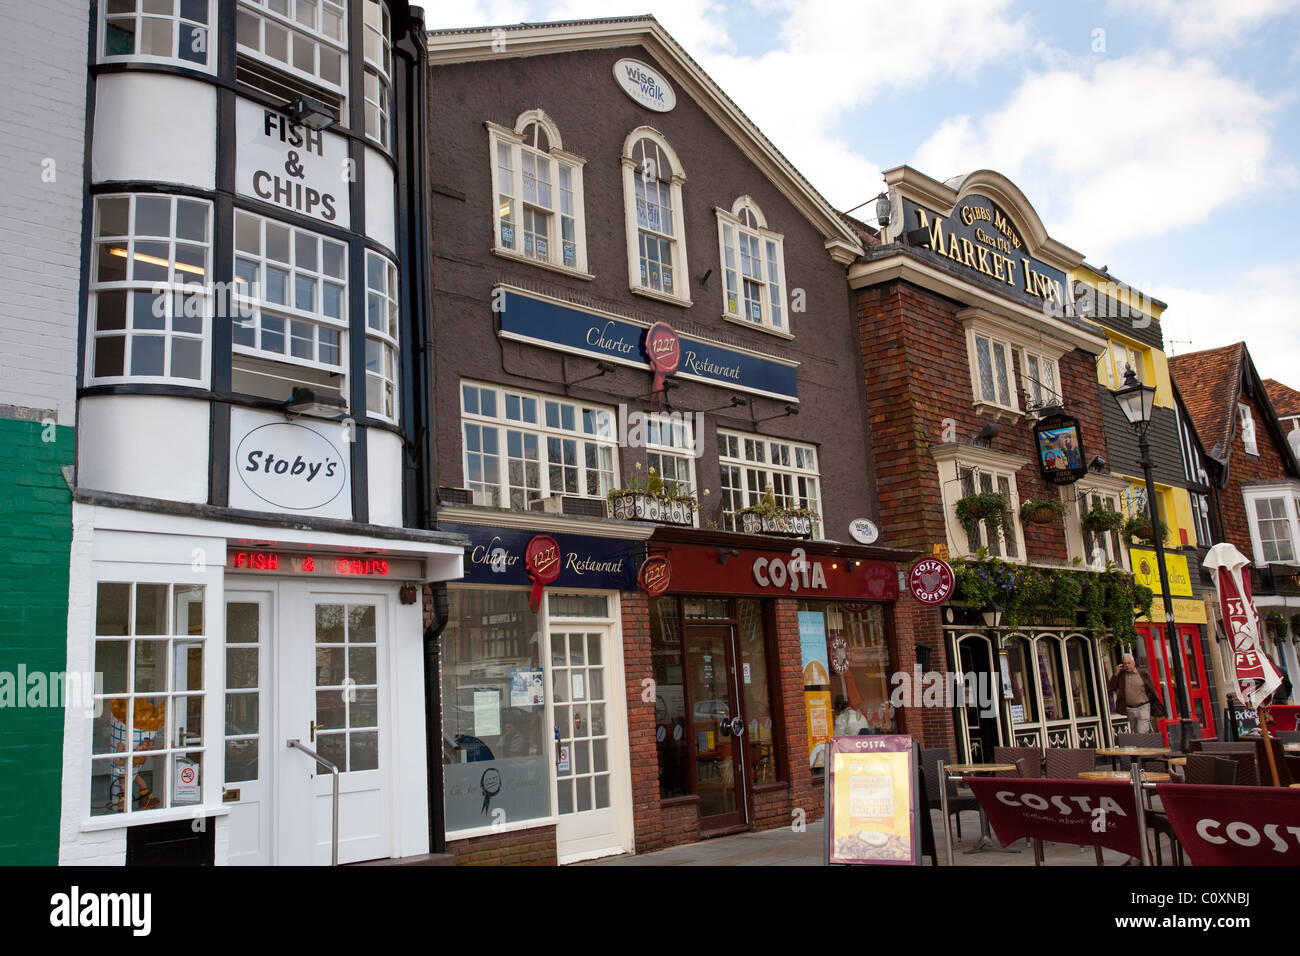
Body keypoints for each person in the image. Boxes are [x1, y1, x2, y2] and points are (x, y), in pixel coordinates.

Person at [1107, 653, 1166, 733]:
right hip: (1130, 709)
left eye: (1129, 663)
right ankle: (1145, 744)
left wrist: (1158, 709)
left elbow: (1152, 690)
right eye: (1124, 664)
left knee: (1142, 732)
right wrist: (1116, 674)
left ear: (1133, 663)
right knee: (1136, 732)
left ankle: (1144, 743)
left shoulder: (1142, 673)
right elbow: (1111, 688)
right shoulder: (1121, 676)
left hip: (1143, 707)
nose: (1127, 665)